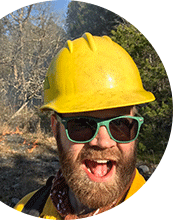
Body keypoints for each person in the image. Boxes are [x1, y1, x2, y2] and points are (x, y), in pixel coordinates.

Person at [14, 32, 155, 219]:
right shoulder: (28, 208)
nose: (104, 142)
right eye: (81, 125)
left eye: (119, 124)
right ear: (55, 128)